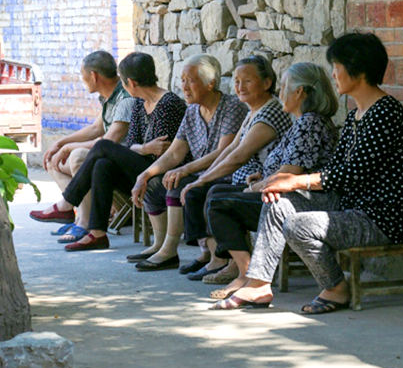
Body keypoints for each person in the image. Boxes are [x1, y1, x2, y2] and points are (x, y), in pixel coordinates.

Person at [211, 32, 403, 313]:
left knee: (297, 225)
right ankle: (259, 284)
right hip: (348, 205)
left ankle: (335, 287)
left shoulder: (385, 113)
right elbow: (336, 169)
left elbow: (351, 173)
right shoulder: (356, 113)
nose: (333, 74)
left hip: (378, 216)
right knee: (277, 203)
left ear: (357, 69)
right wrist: (285, 184)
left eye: (337, 67)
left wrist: (298, 180)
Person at [205, 62, 338, 300]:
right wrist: (262, 179)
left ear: (300, 92)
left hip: (302, 200)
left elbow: (289, 174)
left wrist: (257, 186)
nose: (280, 92)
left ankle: (247, 273)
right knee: (216, 193)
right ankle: (244, 271)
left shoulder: (310, 123)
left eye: (285, 86)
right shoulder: (300, 122)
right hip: (283, 193)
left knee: (219, 204)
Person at [37, 52, 186, 252]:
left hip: (162, 173)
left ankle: (67, 203)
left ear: (131, 83)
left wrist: (144, 150)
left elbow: (163, 154)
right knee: (102, 165)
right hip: (142, 168)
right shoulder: (140, 103)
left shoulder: (168, 104)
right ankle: (97, 233)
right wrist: (144, 148)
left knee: (102, 147)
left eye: (123, 83)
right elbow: (133, 144)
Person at [127, 53, 248, 271]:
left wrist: (185, 170)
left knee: (178, 186)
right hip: (200, 172)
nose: (184, 87)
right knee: (155, 185)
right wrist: (144, 175)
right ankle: (190, 250)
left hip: (224, 172)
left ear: (210, 83)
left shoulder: (231, 106)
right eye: (182, 80)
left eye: (190, 80)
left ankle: (171, 250)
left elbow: (223, 153)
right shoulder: (192, 110)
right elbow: (174, 153)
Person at [179, 55, 292, 282]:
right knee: (195, 191)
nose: (239, 87)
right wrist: (201, 177)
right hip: (246, 178)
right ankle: (214, 256)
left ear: (267, 83)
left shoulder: (271, 111)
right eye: (237, 81)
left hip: (259, 181)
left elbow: (239, 156)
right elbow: (231, 148)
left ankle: (230, 263)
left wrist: (201, 180)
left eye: (247, 81)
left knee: (208, 193)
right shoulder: (253, 111)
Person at [30, 50, 136, 243]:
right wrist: (60, 143)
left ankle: (84, 222)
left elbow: (109, 140)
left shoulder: (125, 99)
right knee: (53, 161)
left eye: (83, 75)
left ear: (94, 76)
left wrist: (70, 148)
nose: (82, 79)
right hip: (104, 160)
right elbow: (96, 128)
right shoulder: (107, 97)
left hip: (121, 166)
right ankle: (73, 214)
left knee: (78, 155)